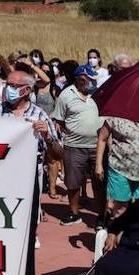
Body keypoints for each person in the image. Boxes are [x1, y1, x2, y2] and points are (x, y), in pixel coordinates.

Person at [0, 70, 59, 275]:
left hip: (27, 182)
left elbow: (58, 153)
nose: (7, 88)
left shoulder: (39, 115)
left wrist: (47, 137)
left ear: (27, 90)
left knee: (26, 238)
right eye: (6, 84)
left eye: (13, 85)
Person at [53, 64, 103, 226]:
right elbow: (59, 121)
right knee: (73, 183)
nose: (93, 82)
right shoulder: (66, 96)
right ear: (81, 79)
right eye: (90, 79)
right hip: (74, 146)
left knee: (99, 182)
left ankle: (101, 216)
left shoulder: (99, 94)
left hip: (98, 146)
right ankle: (74, 213)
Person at [96, 115, 139, 218]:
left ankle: (135, 231)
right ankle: (116, 231)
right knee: (120, 207)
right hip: (119, 168)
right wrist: (98, 165)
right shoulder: (115, 117)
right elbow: (102, 139)